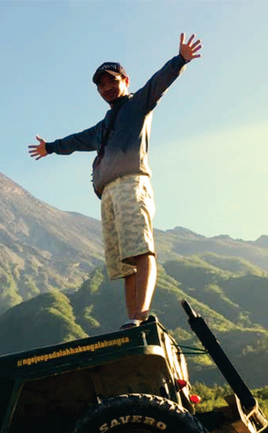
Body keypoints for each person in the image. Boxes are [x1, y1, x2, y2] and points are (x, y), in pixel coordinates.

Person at [29, 33, 202, 330]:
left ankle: (140, 316)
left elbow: (158, 84)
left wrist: (180, 60)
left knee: (140, 250)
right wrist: (51, 147)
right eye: (101, 84)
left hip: (130, 185)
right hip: (108, 194)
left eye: (112, 80)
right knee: (125, 262)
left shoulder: (137, 105)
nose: (107, 87)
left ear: (125, 80)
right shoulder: (105, 124)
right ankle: (131, 318)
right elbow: (78, 139)